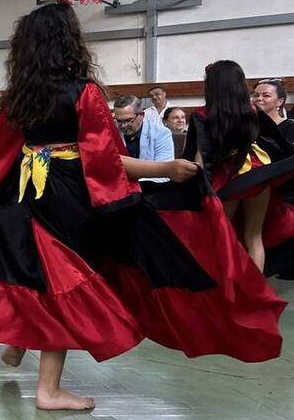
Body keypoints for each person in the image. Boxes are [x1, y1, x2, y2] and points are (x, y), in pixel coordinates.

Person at [0, 0, 285, 411]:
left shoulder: (20, 95)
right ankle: (48, 389)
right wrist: (165, 168)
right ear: (69, 42)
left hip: (24, 189)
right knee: (66, 283)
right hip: (70, 193)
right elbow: (105, 159)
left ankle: (17, 344)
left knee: (38, 267)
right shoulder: (84, 92)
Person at [183, 61, 294, 272]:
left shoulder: (202, 114)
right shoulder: (251, 111)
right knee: (254, 236)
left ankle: (231, 291)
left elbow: (200, 156)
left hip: (229, 177)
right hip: (258, 172)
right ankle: (256, 293)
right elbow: (274, 141)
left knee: (224, 237)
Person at [112, 95, 174, 179]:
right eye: (119, 121)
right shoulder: (110, 133)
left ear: (142, 115)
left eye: (128, 120)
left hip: (150, 187)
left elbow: (164, 173)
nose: (123, 126)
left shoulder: (161, 133)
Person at [253, 78, 294, 144]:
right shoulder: (248, 126)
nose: (259, 99)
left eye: (266, 95)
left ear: (280, 101)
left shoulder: (290, 127)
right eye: (256, 95)